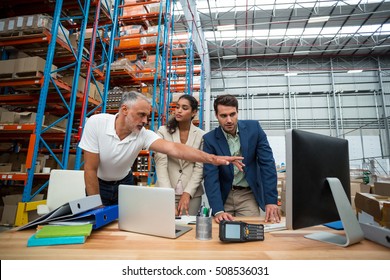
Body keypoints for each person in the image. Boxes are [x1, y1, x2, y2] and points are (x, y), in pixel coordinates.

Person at [78, 90, 244, 206]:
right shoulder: (96, 123)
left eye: (147, 116)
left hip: (124, 183)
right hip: (98, 183)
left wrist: (212, 158)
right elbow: (90, 170)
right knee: (97, 225)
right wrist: (96, 206)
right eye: (141, 115)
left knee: (122, 226)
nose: (145, 121)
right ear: (124, 110)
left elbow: (175, 148)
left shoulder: (143, 134)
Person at [203, 94, 280, 223]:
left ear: (237, 112)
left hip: (247, 195)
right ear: (216, 116)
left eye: (232, 114)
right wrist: (218, 210)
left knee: (251, 232)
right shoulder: (209, 139)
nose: (229, 120)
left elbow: (267, 165)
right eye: (223, 116)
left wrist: (271, 200)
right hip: (223, 196)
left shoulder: (254, 129)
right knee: (221, 235)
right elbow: (210, 176)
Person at [154, 94, 204, 216]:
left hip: (192, 195)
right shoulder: (163, 131)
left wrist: (187, 193)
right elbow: (161, 163)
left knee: (188, 229)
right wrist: (168, 195)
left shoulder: (201, 136)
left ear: (194, 113)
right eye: (177, 107)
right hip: (165, 190)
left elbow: (199, 167)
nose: (179, 110)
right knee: (164, 228)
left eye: (185, 108)